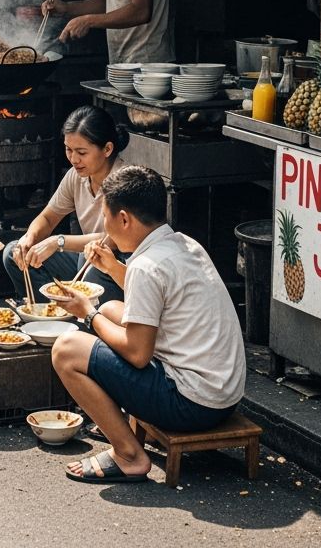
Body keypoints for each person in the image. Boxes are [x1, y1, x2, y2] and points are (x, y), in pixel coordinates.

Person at [51, 165, 245, 484]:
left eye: (106, 217)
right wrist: (113, 269)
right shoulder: (183, 243)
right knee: (112, 306)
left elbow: (138, 354)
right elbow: (157, 295)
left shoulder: (145, 265)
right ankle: (129, 426)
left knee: (67, 349)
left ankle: (128, 454)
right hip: (223, 396)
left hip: (191, 404)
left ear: (124, 218)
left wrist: (87, 313)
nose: (104, 226)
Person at [3, 106, 129, 304]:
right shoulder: (75, 176)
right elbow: (48, 217)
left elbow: (111, 240)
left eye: (81, 152)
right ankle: (49, 314)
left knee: (92, 268)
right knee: (13, 253)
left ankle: (80, 318)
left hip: (115, 267)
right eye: (68, 150)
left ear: (107, 149)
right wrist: (29, 239)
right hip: (85, 260)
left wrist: (58, 242)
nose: (73, 159)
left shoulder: (124, 179)